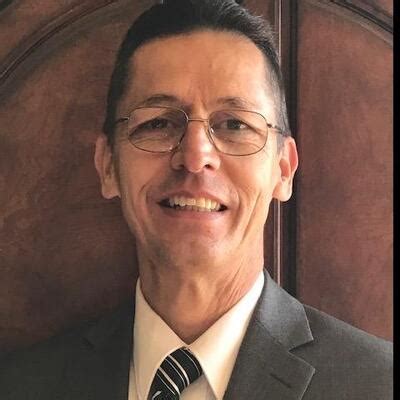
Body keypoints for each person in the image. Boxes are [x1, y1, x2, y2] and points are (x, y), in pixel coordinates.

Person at [0, 1, 392, 399]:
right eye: (158, 122)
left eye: (234, 124)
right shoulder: (20, 386)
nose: (195, 156)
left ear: (283, 169)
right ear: (108, 165)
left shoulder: (379, 385)